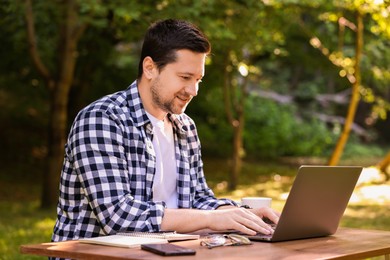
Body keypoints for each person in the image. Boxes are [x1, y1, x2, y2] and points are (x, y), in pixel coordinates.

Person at [52, 19, 279, 242]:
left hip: (167, 252)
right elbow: (117, 216)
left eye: (198, 79)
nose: (193, 90)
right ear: (150, 68)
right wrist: (212, 218)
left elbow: (198, 199)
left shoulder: (185, 126)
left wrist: (241, 214)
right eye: (185, 77)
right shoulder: (102, 120)